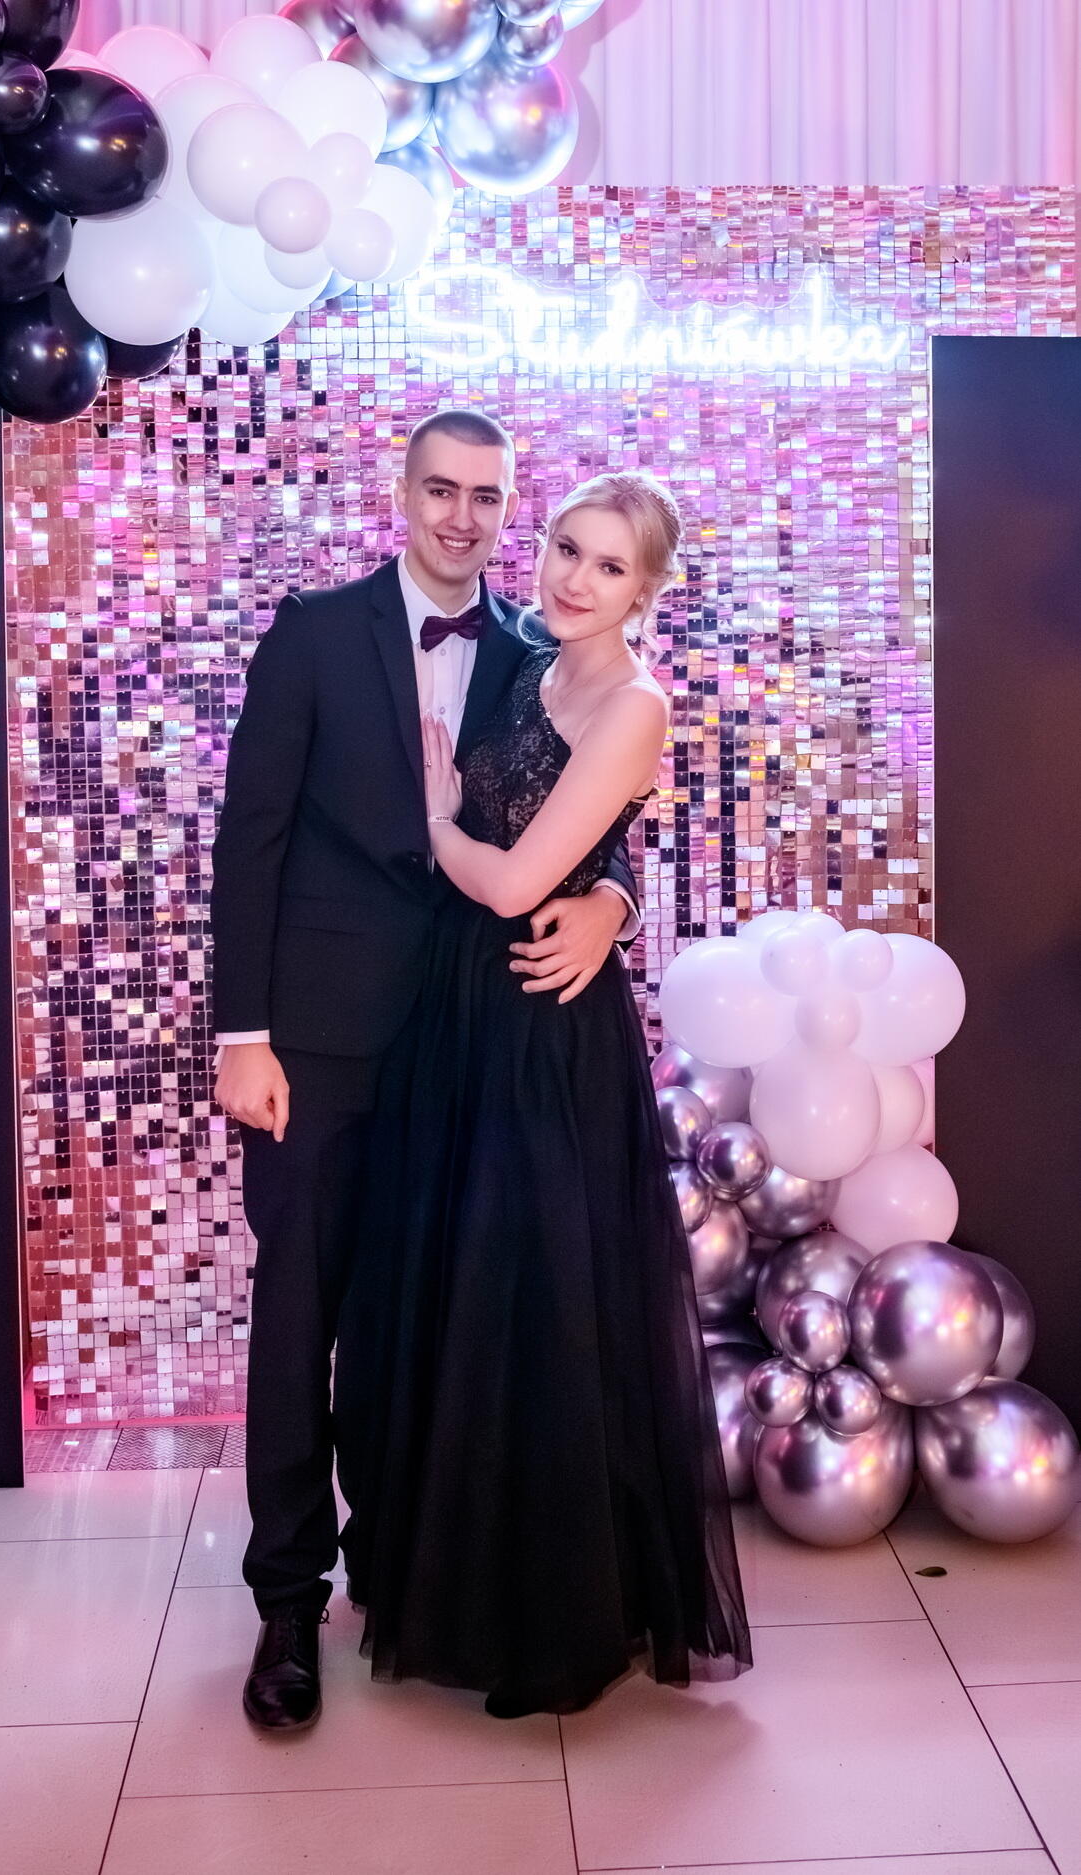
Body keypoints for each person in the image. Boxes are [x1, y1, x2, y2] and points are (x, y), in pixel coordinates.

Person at [210, 410, 641, 1731]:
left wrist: (611, 902)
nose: (461, 516)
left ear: (508, 509)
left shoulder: (534, 647)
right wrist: (240, 1034)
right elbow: (248, 834)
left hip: (467, 1040)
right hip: (320, 1036)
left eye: (486, 496)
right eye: (439, 489)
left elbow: (587, 812)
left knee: (423, 1318)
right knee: (302, 1312)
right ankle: (288, 1599)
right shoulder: (312, 633)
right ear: (400, 494)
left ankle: (400, 1561)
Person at [335, 471, 753, 1718]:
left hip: (540, 1028)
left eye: (608, 565)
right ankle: (450, 1577)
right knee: (458, 1293)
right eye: (567, 548)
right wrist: (611, 891)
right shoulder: (524, 662)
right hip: (458, 1013)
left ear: (648, 589)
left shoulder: (634, 701)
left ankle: (546, 1613)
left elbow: (518, 882)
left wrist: (438, 821)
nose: (574, 578)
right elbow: (595, 843)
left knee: (534, 1307)